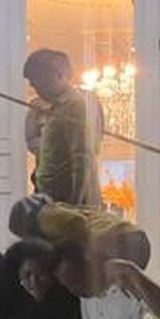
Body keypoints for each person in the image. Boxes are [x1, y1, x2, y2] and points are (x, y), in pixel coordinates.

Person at [22, 49, 104, 207]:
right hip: (52, 198)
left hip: (70, 202)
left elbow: (83, 158)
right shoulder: (51, 107)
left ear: (58, 75)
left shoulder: (77, 105)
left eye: (38, 81)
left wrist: (73, 206)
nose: (34, 87)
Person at [9, 193, 151, 269]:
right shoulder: (56, 209)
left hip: (118, 241)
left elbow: (77, 222)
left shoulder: (43, 216)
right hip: (129, 237)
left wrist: (57, 249)